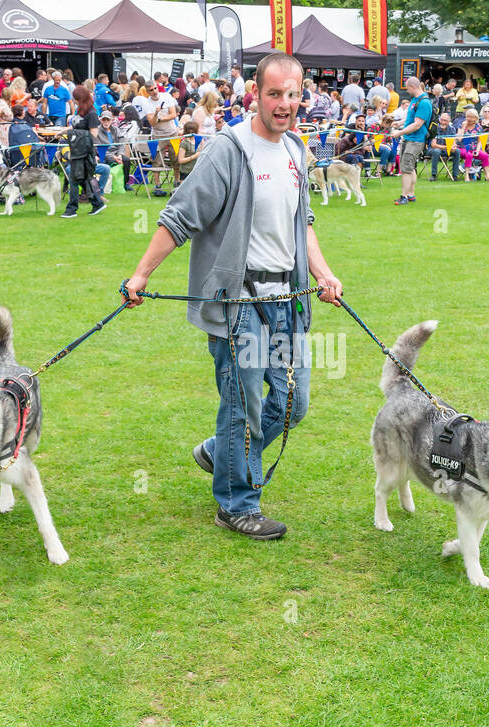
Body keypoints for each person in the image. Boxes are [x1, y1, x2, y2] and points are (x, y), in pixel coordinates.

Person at [120, 51, 343, 540]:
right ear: (255, 95)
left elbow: (302, 224)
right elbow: (179, 216)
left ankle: (219, 453)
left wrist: (324, 274)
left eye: (293, 94)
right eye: (274, 94)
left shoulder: (294, 151)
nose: (285, 104)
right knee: (242, 408)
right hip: (239, 305)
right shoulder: (229, 149)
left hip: (287, 302)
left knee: (291, 404)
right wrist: (140, 275)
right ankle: (237, 504)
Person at [60, 86, 106, 218]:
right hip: (77, 150)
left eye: (75, 99)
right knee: (83, 178)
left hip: (84, 152)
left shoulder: (91, 113)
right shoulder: (81, 112)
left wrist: (72, 133)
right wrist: (64, 131)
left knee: (74, 179)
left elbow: (94, 134)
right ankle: (97, 203)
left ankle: (72, 209)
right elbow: (76, 126)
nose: (73, 101)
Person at [394, 76, 433, 206]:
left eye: (407, 88)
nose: (407, 91)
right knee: (410, 168)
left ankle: (403, 196)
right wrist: (398, 123)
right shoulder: (415, 100)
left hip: (416, 140)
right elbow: (410, 118)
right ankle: (411, 194)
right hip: (409, 138)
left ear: (413, 86)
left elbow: (417, 124)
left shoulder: (424, 102)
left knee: (405, 168)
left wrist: (399, 132)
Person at [427, 112, 461, 180]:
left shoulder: (452, 129)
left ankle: (455, 175)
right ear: (439, 120)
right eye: (442, 120)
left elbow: (453, 142)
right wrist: (447, 147)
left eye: (445, 120)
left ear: (449, 121)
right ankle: (434, 175)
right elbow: (433, 145)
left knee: (457, 151)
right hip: (433, 150)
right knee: (436, 151)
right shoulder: (435, 128)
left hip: (446, 150)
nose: (443, 122)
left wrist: (453, 147)